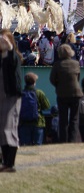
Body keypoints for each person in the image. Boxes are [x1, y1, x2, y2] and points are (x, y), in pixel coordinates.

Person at [0, 29, 24, 171]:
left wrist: (9, 48)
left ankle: (10, 163)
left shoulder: (13, 56)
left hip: (11, 96)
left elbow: (13, 63)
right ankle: (5, 162)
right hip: (1, 96)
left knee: (9, 127)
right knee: (1, 129)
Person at [49, 43, 82, 143]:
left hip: (62, 94)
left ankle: (63, 140)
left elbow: (52, 79)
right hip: (76, 93)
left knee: (63, 119)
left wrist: (58, 86)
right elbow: (78, 78)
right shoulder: (76, 63)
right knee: (74, 119)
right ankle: (73, 140)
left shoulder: (57, 65)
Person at [18, 72, 49, 146]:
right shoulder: (39, 93)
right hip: (38, 122)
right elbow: (47, 106)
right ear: (34, 82)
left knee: (25, 146)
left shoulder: (21, 93)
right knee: (38, 145)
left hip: (24, 123)